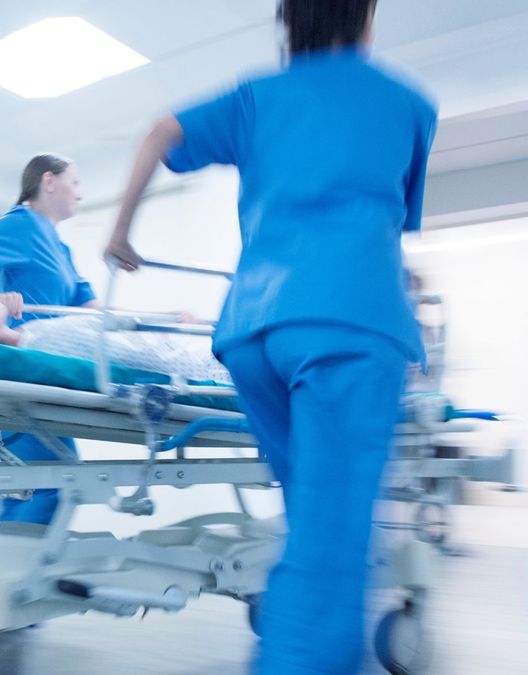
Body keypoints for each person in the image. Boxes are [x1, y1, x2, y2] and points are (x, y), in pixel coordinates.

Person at [103, 0, 436, 672]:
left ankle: (289, 634)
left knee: (311, 514)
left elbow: (159, 131)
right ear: (366, 16)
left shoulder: (259, 95)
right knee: (332, 535)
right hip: (347, 321)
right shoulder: (409, 105)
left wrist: (118, 233)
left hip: (253, 334)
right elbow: (390, 224)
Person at [0, 154, 93, 525]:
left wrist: (165, 319)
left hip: (51, 374)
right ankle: (14, 575)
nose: (81, 194)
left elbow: (95, 312)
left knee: (40, 481)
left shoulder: (61, 248)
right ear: (49, 181)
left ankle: (6, 572)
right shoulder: (23, 224)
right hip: (23, 373)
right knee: (51, 481)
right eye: (76, 182)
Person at [0, 293, 232, 384]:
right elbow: (150, 358)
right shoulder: (48, 345)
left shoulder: (33, 335)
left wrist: (161, 320)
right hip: (213, 365)